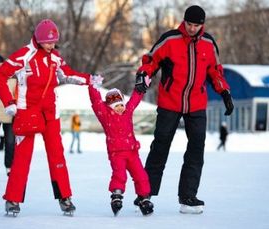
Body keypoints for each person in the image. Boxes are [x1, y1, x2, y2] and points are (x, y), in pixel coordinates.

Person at [134, 5, 234, 214]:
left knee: (196, 149)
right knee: (160, 146)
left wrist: (224, 92)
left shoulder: (208, 43)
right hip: (170, 102)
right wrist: (143, 76)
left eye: (196, 25)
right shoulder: (169, 40)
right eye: (189, 24)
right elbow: (150, 61)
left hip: (196, 103)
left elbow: (215, 71)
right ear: (184, 21)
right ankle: (145, 193)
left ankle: (188, 197)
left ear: (202, 25)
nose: (192, 28)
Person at [0, 19, 97, 216]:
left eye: (54, 42)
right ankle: (12, 199)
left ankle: (65, 198)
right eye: (48, 42)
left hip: (50, 114)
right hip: (27, 113)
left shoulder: (55, 57)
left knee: (57, 156)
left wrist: (89, 79)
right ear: (39, 40)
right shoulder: (24, 55)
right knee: (22, 158)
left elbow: (67, 75)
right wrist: (9, 102)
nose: (51, 46)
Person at [88, 77, 154, 216]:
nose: (120, 108)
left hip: (132, 152)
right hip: (116, 153)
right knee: (120, 175)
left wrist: (140, 89)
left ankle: (144, 198)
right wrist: (94, 87)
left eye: (121, 105)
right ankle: (116, 195)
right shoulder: (105, 116)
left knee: (141, 175)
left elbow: (134, 101)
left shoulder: (127, 112)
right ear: (110, 106)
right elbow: (96, 103)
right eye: (116, 105)